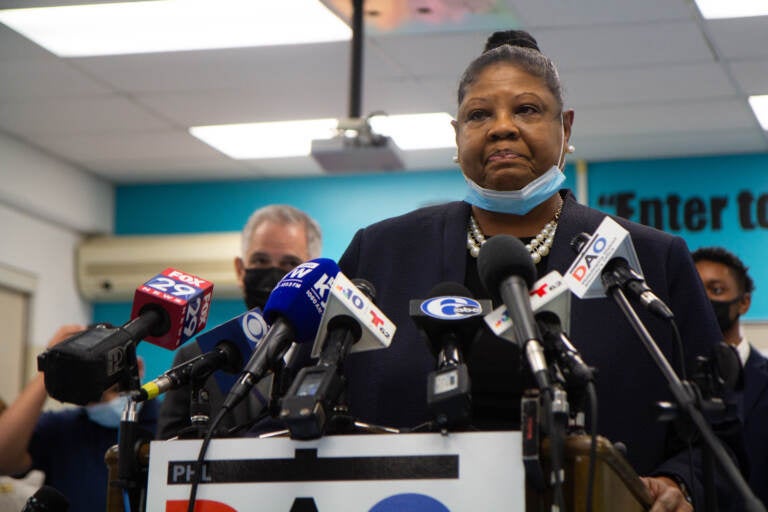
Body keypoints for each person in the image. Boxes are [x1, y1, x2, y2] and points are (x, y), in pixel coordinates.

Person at [333, 31, 721, 511]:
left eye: (527, 110)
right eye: (479, 115)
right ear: (457, 135)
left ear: (567, 128)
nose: (502, 128)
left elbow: (717, 431)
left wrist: (680, 484)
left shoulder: (649, 259)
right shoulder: (381, 253)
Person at [156, 204, 322, 439]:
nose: (274, 275)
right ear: (240, 270)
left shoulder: (331, 353)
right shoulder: (198, 357)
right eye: (261, 261)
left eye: (289, 264)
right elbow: (168, 454)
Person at [0, 324, 158, 512]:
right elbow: (3, 457)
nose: (103, 401)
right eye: (92, 396)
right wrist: (50, 367)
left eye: (112, 390)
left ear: (137, 367)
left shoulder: (166, 425)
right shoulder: (62, 428)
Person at [693, 246, 768, 506]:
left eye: (716, 290)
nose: (704, 300)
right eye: (695, 290)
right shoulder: (671, 379)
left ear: (744, 302)